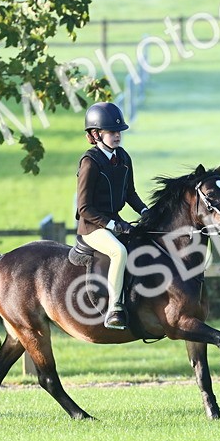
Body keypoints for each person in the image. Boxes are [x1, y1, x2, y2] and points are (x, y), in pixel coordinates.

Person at [74, 101, 148, 330]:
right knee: (119, 251)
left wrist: (146, 211)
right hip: (92, 228)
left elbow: (130, 193)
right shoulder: (90, 162)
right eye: (112, 132)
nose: (118, 136)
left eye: (119, 132)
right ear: (96, 134)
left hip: (113, 222)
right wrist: (114, 225)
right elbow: (84, 208)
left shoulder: (123, 158)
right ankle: (115, 308)